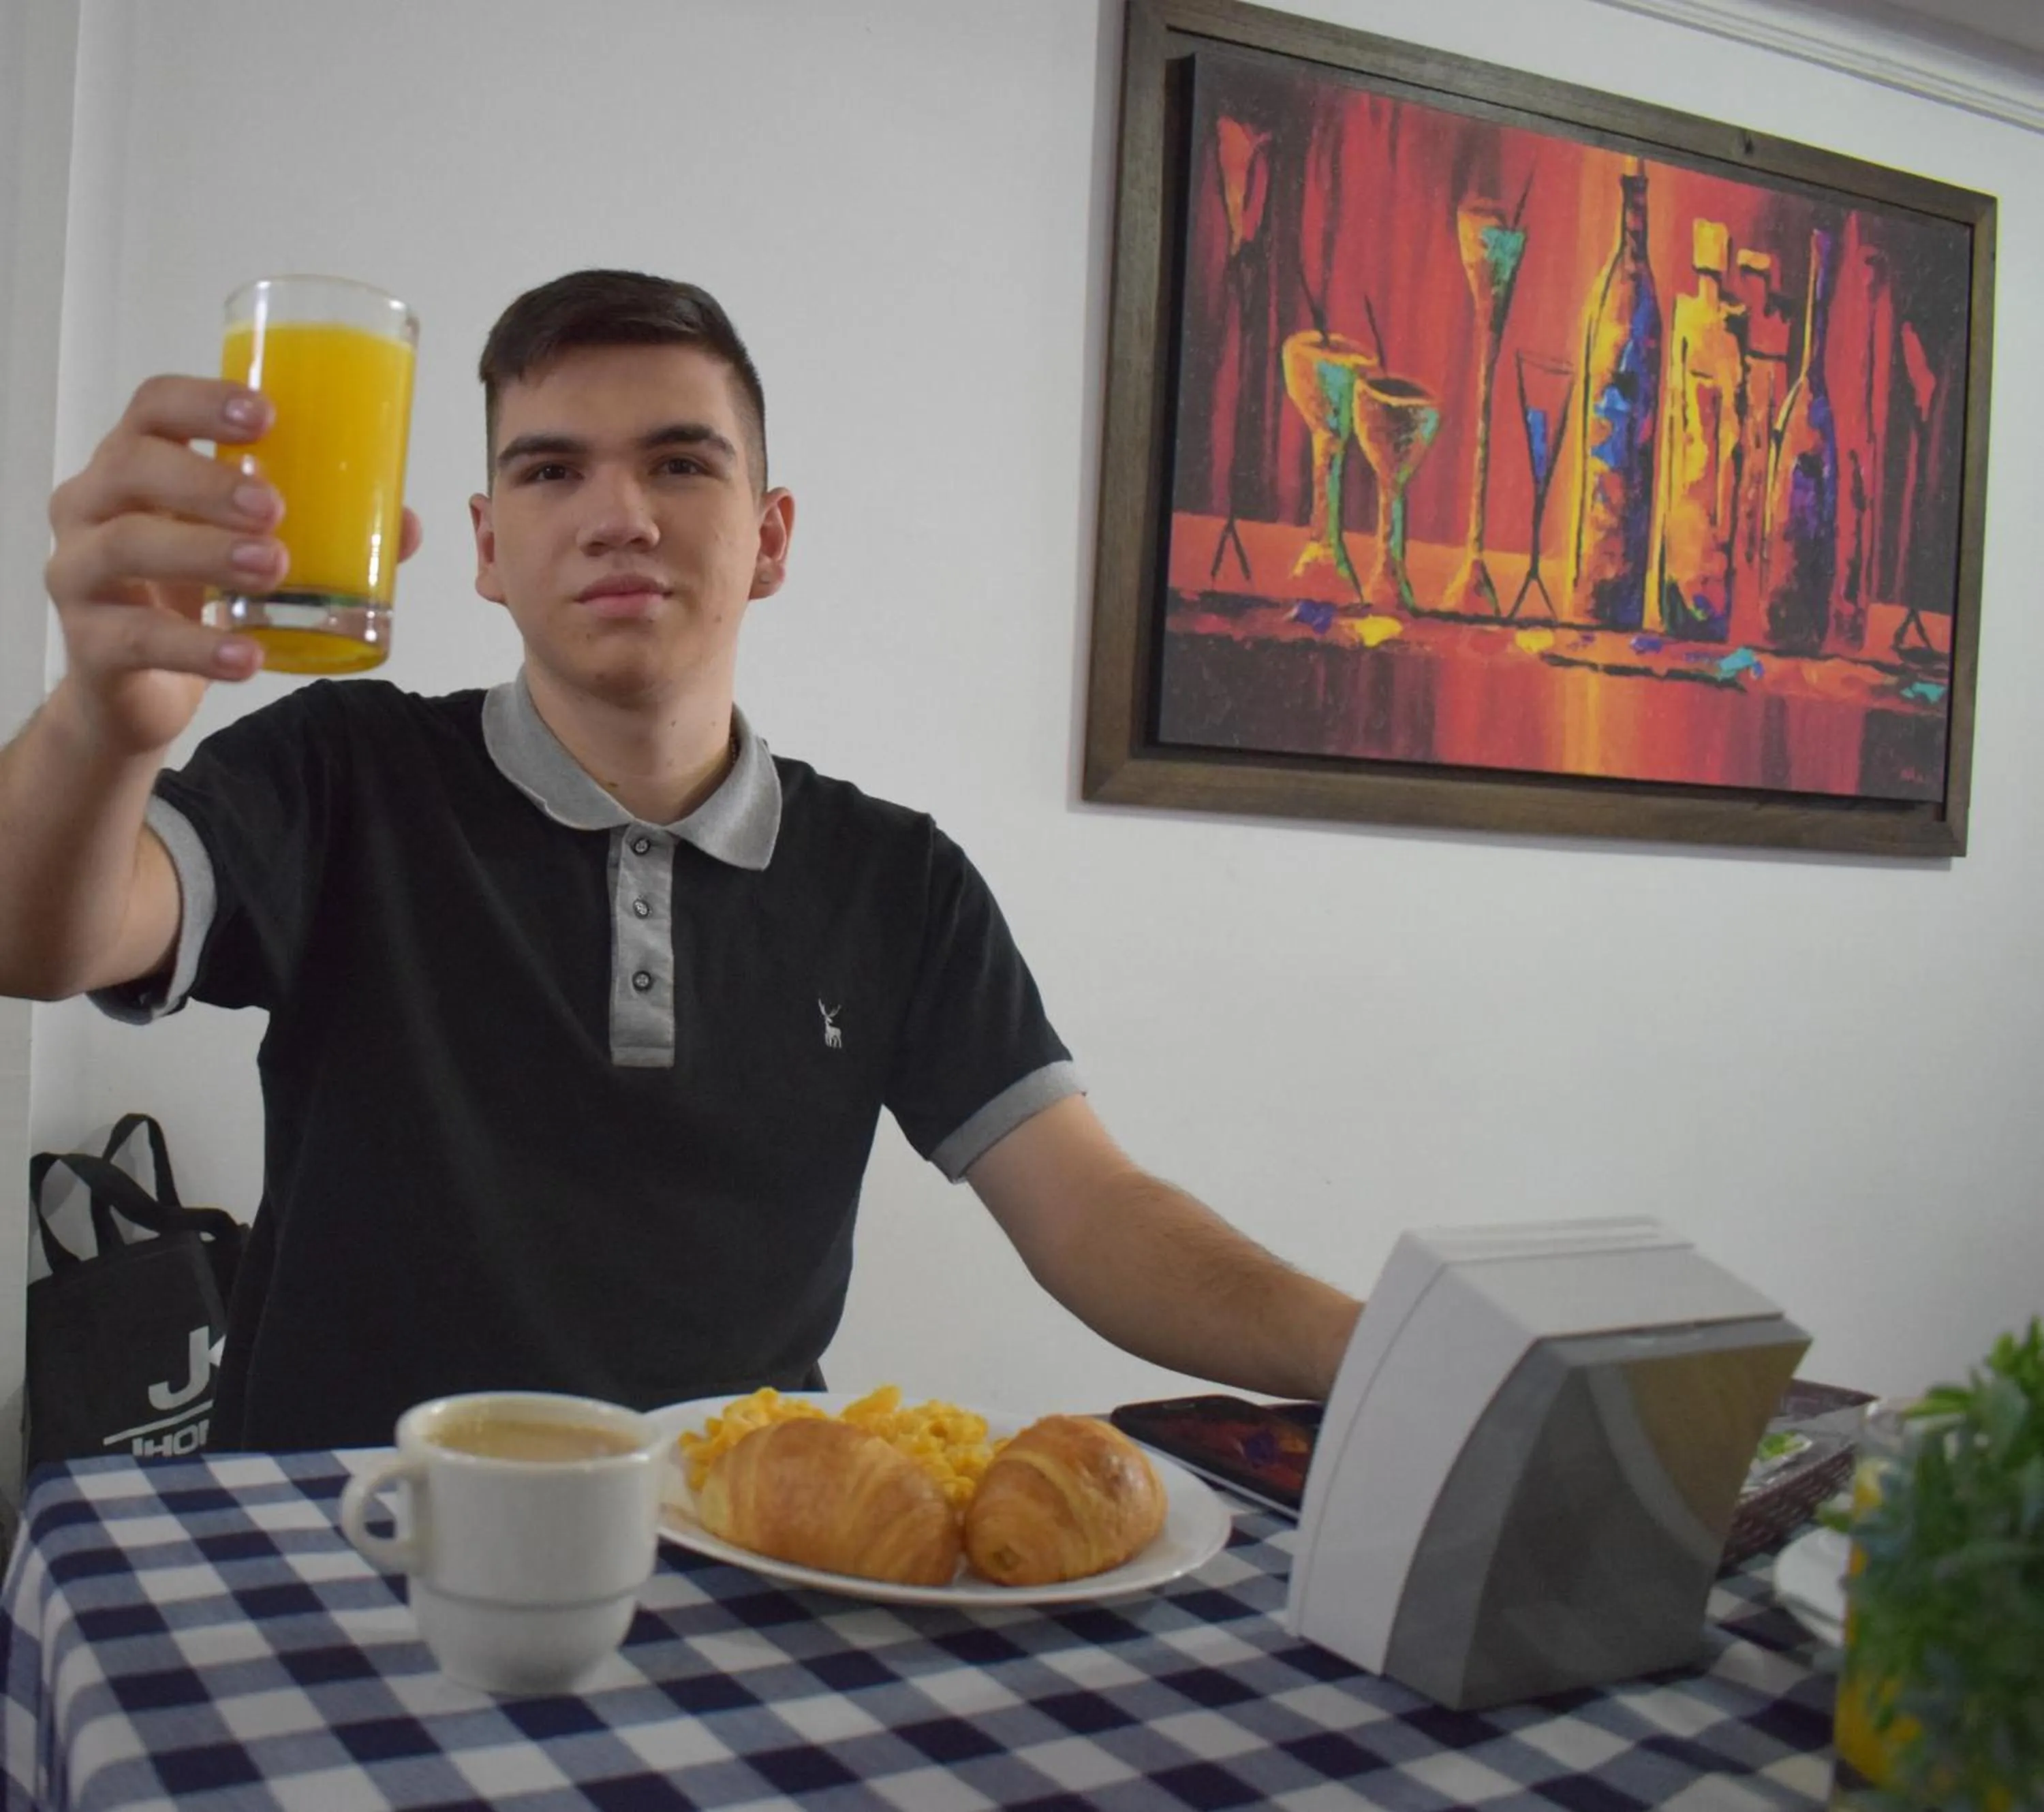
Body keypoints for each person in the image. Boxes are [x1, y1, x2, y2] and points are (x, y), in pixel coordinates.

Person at [0, 270, 1361, 1452]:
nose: (621, 515)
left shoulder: (898, 879)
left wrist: (1380, 1354)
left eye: (680, 462)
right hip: (344, 1543)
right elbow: (43, 938)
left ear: (769, 539)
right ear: (486, 548)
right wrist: (98, 723)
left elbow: (1093, 1209)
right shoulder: (341, 770)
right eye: (550, 469)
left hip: (733, 1556)